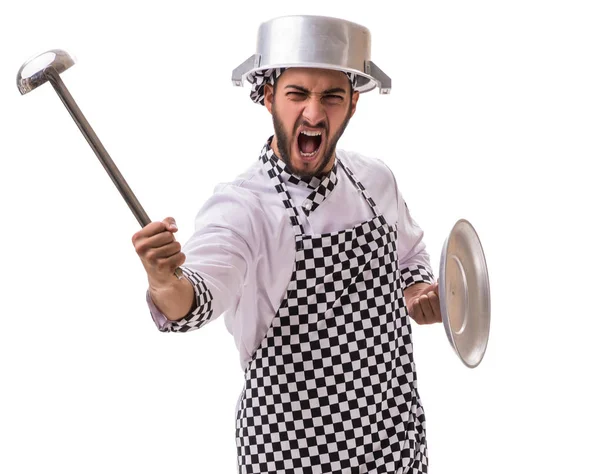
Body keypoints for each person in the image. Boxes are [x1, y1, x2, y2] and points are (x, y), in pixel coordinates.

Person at [132, 15, 441, 474]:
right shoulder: (241, 208)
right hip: (290, 453)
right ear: (268, 96)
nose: (314, 114)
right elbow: (195, 297)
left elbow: (410, 254)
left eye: (331, 96)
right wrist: (163, 281)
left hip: (393, 442)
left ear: (354, 103)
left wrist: (417, 291)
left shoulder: (375, 180)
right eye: (297, 94)